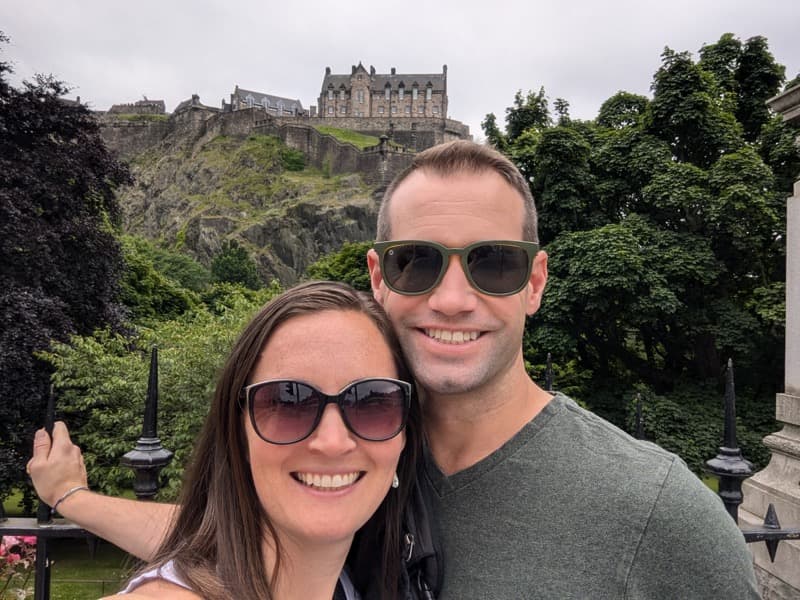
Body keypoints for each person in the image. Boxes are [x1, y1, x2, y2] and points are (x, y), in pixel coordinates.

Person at [30, 141, 759, 598]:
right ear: (378, 275)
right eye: (418, 262)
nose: (451, 298)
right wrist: (73, 499)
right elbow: (218, 547)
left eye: (492, 263)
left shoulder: (654, 511)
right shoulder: (359, 457)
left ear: (535, 282)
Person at [32, 281, 426, 600]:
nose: (332, 442)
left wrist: (70, 496)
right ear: (238, 432)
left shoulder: (350, 579)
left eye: (373, 402)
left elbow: (192, 527)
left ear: (404, 433)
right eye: (289, 401)